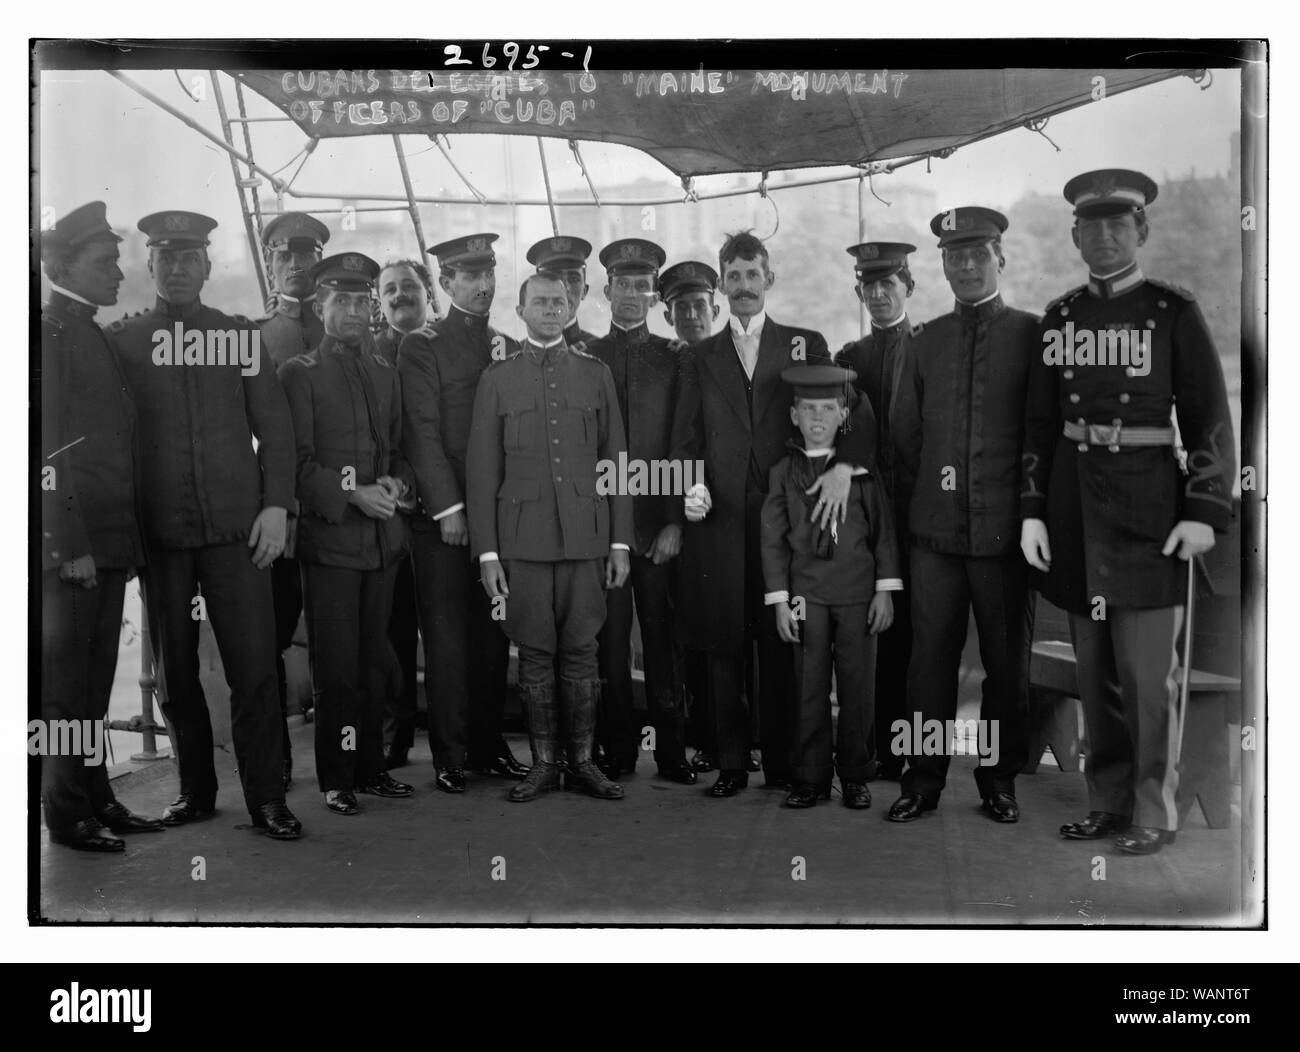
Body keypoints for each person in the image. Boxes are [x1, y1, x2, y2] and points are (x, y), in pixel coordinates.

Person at [1022, 169, 1236, 855]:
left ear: (1140, 232)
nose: (1105, 237)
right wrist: (1033, 513)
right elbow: (1036, 427)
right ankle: (1108, 803)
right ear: (1075, 236)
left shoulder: (1173, 313)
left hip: (1148, 516)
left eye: (1119, 226)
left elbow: (1208, 420)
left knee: (1148, 679)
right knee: (1097, 676)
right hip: (1078, 511)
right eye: (1092, 227)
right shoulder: (1059, 320)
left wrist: (1203, 508)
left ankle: (1154, 811)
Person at [108, 210, 302, 839]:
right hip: (162, 540)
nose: (180, 268)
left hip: (236, 537)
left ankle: (267, 799)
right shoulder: (125, 342)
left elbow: (275, 432)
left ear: (209, 266)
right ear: (151, 265)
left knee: (254, 669)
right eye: (168, 258)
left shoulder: (239, 338)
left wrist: (277, 507)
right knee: (175, 674)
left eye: (192, 258)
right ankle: (195, 792)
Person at [671, 230, 878, 797]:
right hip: (718, 524)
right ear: (722, 283)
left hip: (789, 526)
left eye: (751, 275)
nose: (742, 287)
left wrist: (844, 468)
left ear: (769, 278)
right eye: (732, 277)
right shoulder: (697, 357)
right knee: (724, 650)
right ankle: (733, 765)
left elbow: (851, 408)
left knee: (786, 646)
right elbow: (685, 439)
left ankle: (788, 768)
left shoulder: (803, 343)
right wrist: (690, 489)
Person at [885, 207, 1038, 825]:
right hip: (935, 538)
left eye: (979, 254)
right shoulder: (925, 342)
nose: (968, 266)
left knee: (1006, 667)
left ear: (1001, 258)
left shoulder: (1031, 333)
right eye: (955, 257)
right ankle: (922, 781)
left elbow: (1040, 432)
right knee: (929, 665)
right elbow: (905, 434)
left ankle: (999, 781)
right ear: (943, 266)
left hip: (1004, 538)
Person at [466, 272, 633, 803]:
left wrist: (620, 542)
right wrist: (488, 552)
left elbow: (616, 460)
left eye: (559, 302)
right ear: (520, 311)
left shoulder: (595, 374)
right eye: (539, 302)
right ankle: (542, 766)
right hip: (524, 542)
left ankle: (582, 763)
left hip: (587, 537)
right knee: (535, 651)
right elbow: (482, 469)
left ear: (571, 308)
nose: (550, 310)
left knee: (583, 649)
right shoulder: (497, 379)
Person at [39, 201, 163, 851]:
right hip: (74, 552)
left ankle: (97, 796)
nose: (118, 271)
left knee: (89, 683)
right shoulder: (49, 334)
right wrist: (70, 547)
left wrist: (122, 547)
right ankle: (64, 812)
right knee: (61, 690)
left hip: (108, 546)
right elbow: (44, 454)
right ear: (63, 267)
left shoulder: (88, 330)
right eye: (104, 261)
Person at [278, 252, 416, 815]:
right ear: (321, 306)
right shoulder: (300, 375)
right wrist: (352, 491)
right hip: (333, 547)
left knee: (372, 666)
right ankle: (337, 776)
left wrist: (395, 485)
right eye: (343, 301)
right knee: (335, 671)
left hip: (382, 546)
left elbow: (403, 453)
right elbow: (297, 463)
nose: (356, 311)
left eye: (363, 301)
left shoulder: (386, 373)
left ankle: (371, 767)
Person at [399, 234, 528, 793]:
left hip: (497, 519)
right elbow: (422, 433)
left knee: (494, 634)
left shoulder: (506, 344)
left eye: (489, 274)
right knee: (448, 639)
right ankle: (449, 756)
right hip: (445, 524)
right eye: (468, 276)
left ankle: (488, 745)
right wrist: (448, 507)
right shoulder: (422, 346)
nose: (482, 286)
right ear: (445, 284)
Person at [761, 364, 902, 809]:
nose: (818, 417)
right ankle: (811, 778)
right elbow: (773, 541)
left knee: (859, 686)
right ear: (794, 416)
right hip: (806, 596)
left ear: (844, 415)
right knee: (809, 685)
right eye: (808, 409)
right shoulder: (784, 472)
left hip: (858, 593)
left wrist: (884, 590)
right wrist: (781, 602)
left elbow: (883, 534)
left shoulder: (862, 472)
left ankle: (857, 775)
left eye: (827, 408)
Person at [586, 238, 695, 785]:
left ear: (655, 294)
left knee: (662, 636)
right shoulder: (586, 356)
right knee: (610, 640)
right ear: (605, 290)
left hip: (655, 525)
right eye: (622, 284)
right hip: (604, 526)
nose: (632, 294)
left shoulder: (675, 357)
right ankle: (619, 752)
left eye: (641, 285)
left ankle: (672, 752)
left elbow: (683, 441)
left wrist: (676, 519)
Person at [836, 241, 920, 781]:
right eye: (869, 287)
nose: (879, 295)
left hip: (920, 516)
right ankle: (870, 749)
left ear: (908, 288)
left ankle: (907, 748)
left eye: (888, 285)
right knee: (873, 631)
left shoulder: (930, 347)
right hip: (868, 519)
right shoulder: (851, 358)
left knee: (917, 634)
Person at [258, 211, 330, 789]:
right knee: (273, 635)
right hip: (282, 515)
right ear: (271, 262)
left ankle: (356, 754)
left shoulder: (344, 334)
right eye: (286, 256)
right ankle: (276, 758)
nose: (298, 266)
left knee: (344, 634)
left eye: (308, 256)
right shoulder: (253, 337)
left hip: (337, 514)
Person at [659, 260, 723, 774]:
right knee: (698, 630)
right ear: (669, 315)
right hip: (694, 515)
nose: (692, 315)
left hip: (739, 516)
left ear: (715, 308)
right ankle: (707, 736)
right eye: (681, 308)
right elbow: (677, 444)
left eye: (699, 305)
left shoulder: (732, 354)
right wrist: (680, 511)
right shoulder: (674, 361)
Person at [373, 259, 434, 770]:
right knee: (392, 632)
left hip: (443, 515)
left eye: (408, 286)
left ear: (427, 291)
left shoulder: (445, 346)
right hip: (390, 515)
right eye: (389, 289)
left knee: (445, 630)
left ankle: (455, 740)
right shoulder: (371, 354)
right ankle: (396, 735)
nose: (399, 296)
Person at [527, 235, 599, 348]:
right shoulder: (518, 354)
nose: (565, 288)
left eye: (574, 279)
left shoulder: (599, 352)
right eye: (554, 278)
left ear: (584, 291)